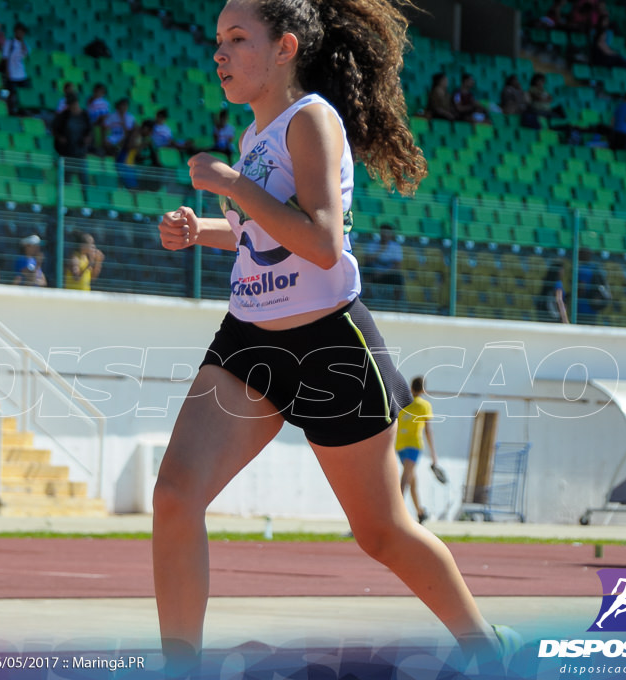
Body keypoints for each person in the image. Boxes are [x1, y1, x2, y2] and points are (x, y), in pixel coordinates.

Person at [153, 0, 518, 675]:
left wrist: (232, 186)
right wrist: (199, 227)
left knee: (381, 533)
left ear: (285, 46)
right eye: (216, 41)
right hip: (248, 343)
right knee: (175, 496)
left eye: (238, 38)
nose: (219, 54)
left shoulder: (311, 119)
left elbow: (321, 241)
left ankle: (485, 646)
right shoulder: (252, 139)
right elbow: (258, 232)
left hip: (330, 345)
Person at [395, 376, 440, 524]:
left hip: (400, 445)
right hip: (413, 445)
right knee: (405, 479)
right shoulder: (424, 405)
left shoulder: (402, 402)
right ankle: (396, 513)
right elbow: (428, 430)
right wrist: (434, 454)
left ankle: (420, 512)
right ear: (423, 389)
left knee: (412, 480)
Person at [370, 223, 404, 302]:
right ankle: (367, 300)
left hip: (388, 274)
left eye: (387, 233)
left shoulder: (396, 247)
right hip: (374, 273)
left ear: (391, 234)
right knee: (366, 273)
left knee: (398, 278)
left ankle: (397, 303)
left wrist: (383, 273)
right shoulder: (372, 245)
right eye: (383, 232)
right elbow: (368, 260)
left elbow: (397, 266)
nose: (385, 235)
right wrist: (381, 250)